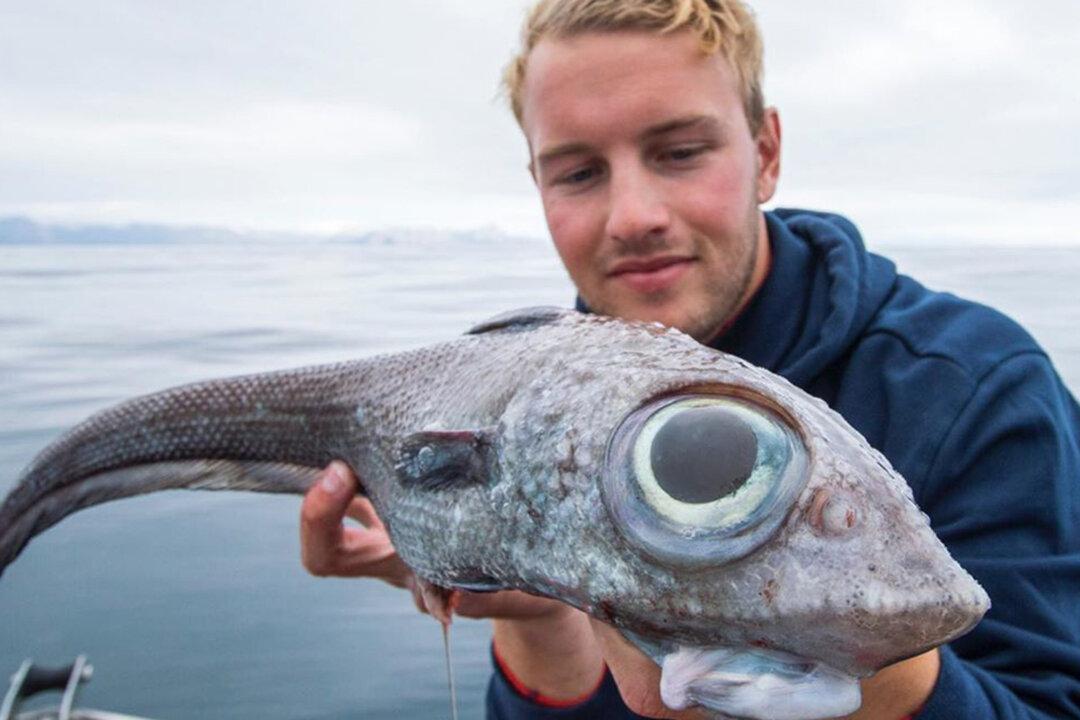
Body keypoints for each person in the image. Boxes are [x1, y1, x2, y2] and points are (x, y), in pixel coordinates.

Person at [299, 1, 1080, 718]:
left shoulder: (976, 385)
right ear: (536, 185)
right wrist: (544, 612)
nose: (633, 217)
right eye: (578, 173)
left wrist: (827, 635)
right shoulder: (524, 416)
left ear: (766, 153)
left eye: (678, 152)